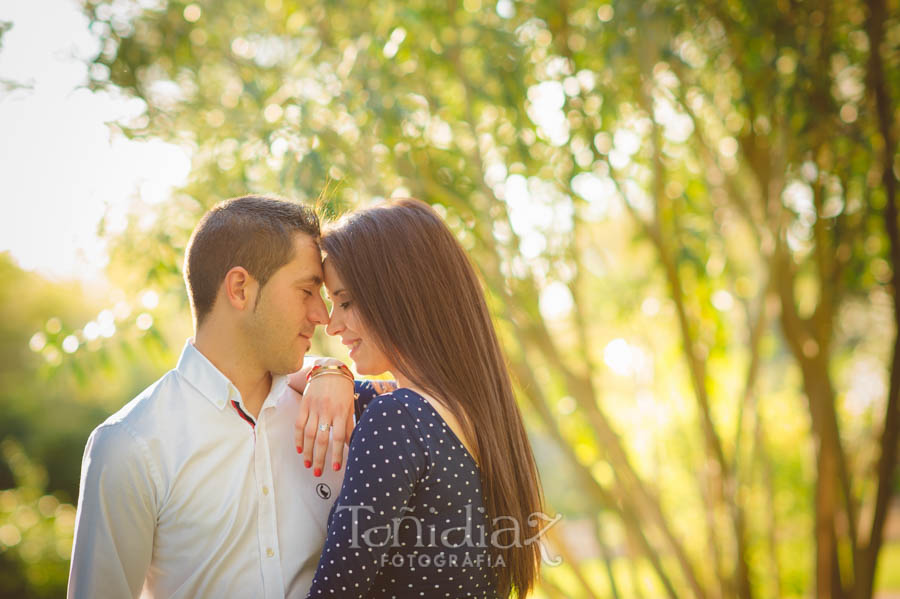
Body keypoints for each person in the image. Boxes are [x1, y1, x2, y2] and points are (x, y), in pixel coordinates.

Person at [67, 196, 357, 599]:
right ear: (240, 288)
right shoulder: (129, 445)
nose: (322, 315)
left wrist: (335, 370)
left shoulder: (329, 415)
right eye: (307, 291)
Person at [294, 198, 545, 598]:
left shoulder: (399, 418)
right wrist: (329, 368)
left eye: (345, 301)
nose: (332, 323)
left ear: (400, 295)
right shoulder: (474, 414)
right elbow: (278, 370)